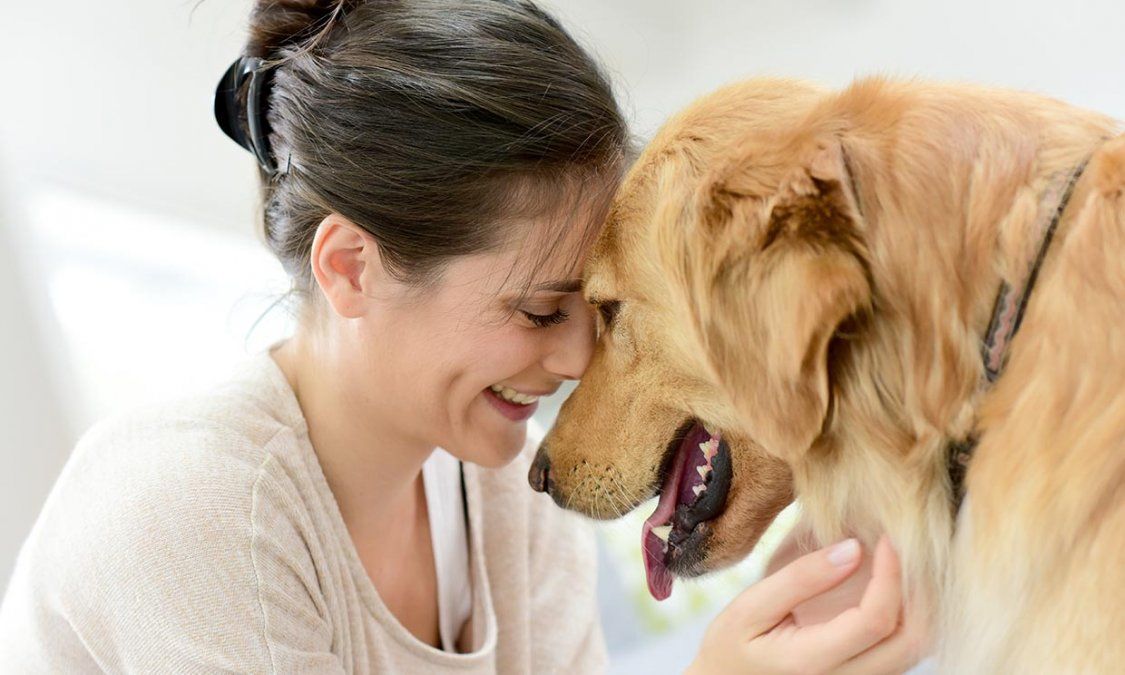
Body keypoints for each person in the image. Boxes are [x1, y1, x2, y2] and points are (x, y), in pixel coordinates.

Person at [0, 1, 926, 672]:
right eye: (537, 311)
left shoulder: (503, 500)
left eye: (598, 312)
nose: (573, 362)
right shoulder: (190, 510)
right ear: (351, 268)